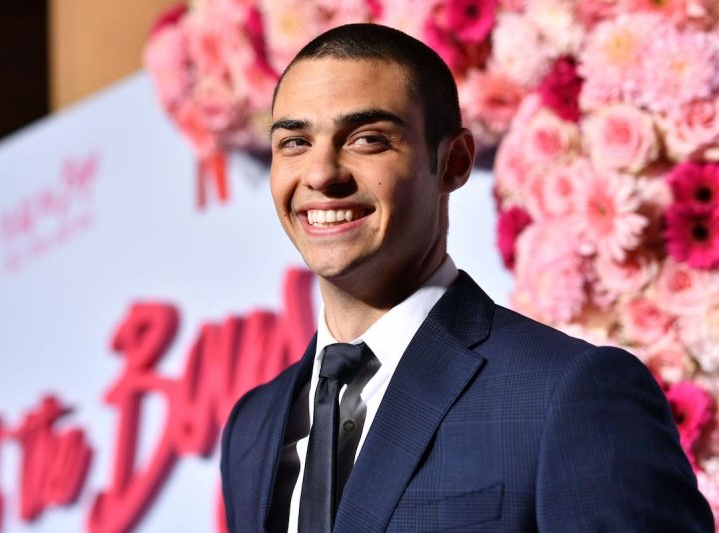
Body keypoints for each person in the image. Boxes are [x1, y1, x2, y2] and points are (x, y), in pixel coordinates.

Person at [220, 23, 713, 532]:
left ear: (454, 162)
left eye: (368, 140)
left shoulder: (567, 394)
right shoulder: (253, 425)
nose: (322, 174)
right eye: (295, 142)